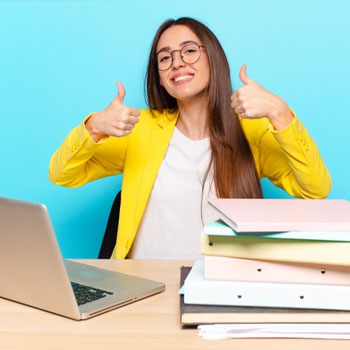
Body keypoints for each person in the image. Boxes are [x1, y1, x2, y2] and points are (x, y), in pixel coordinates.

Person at [49, 17, 331, 260]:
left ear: (214, 59)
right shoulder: (140, 130)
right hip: (144, 290)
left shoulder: (252, 132)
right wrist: (94, 126)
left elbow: (315, 189)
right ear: (159, 77)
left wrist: (280, 113)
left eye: (189, 51)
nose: (177, 63)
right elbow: (62, 175)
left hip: (224, 290)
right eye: (165, 57)